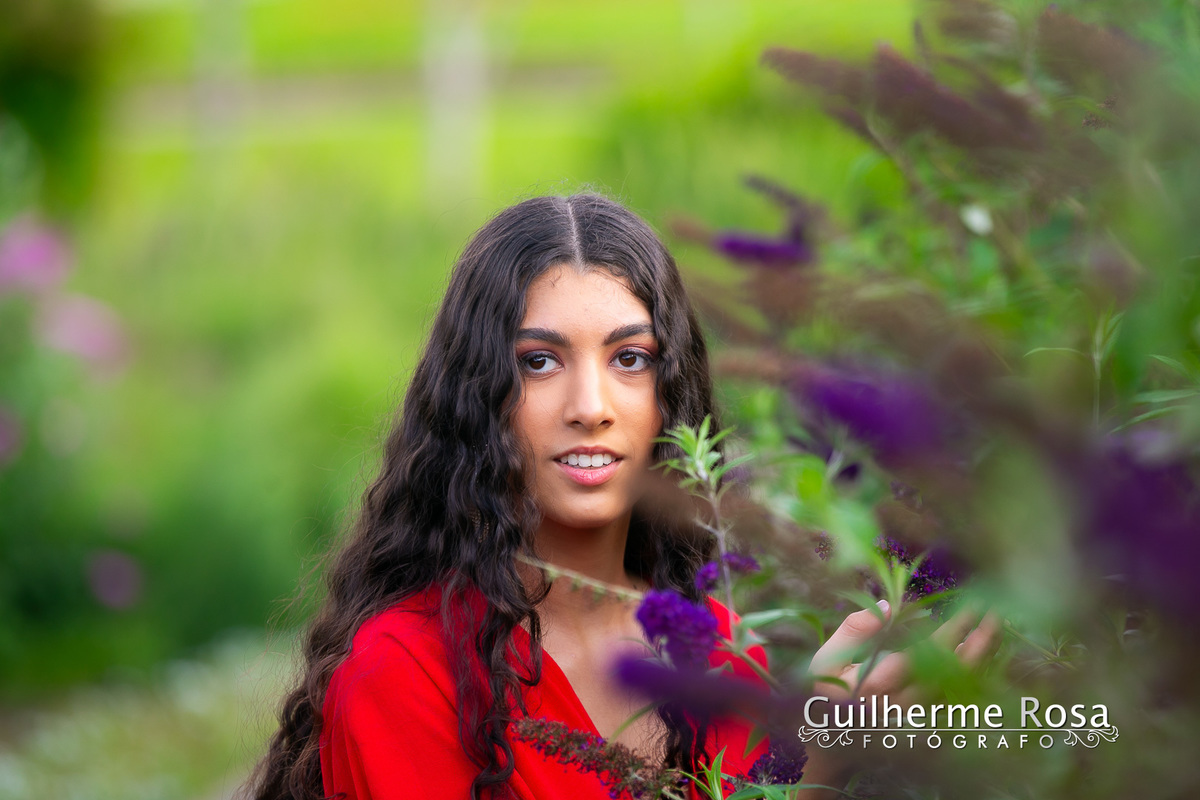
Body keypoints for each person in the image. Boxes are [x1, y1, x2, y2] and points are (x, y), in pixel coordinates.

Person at [245, 194, 999, 800]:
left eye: (630, 358)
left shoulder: (731, 656)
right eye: (539, 362)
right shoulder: (403, 676)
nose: (591, 404)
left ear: (671, 397)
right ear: (478, 399)